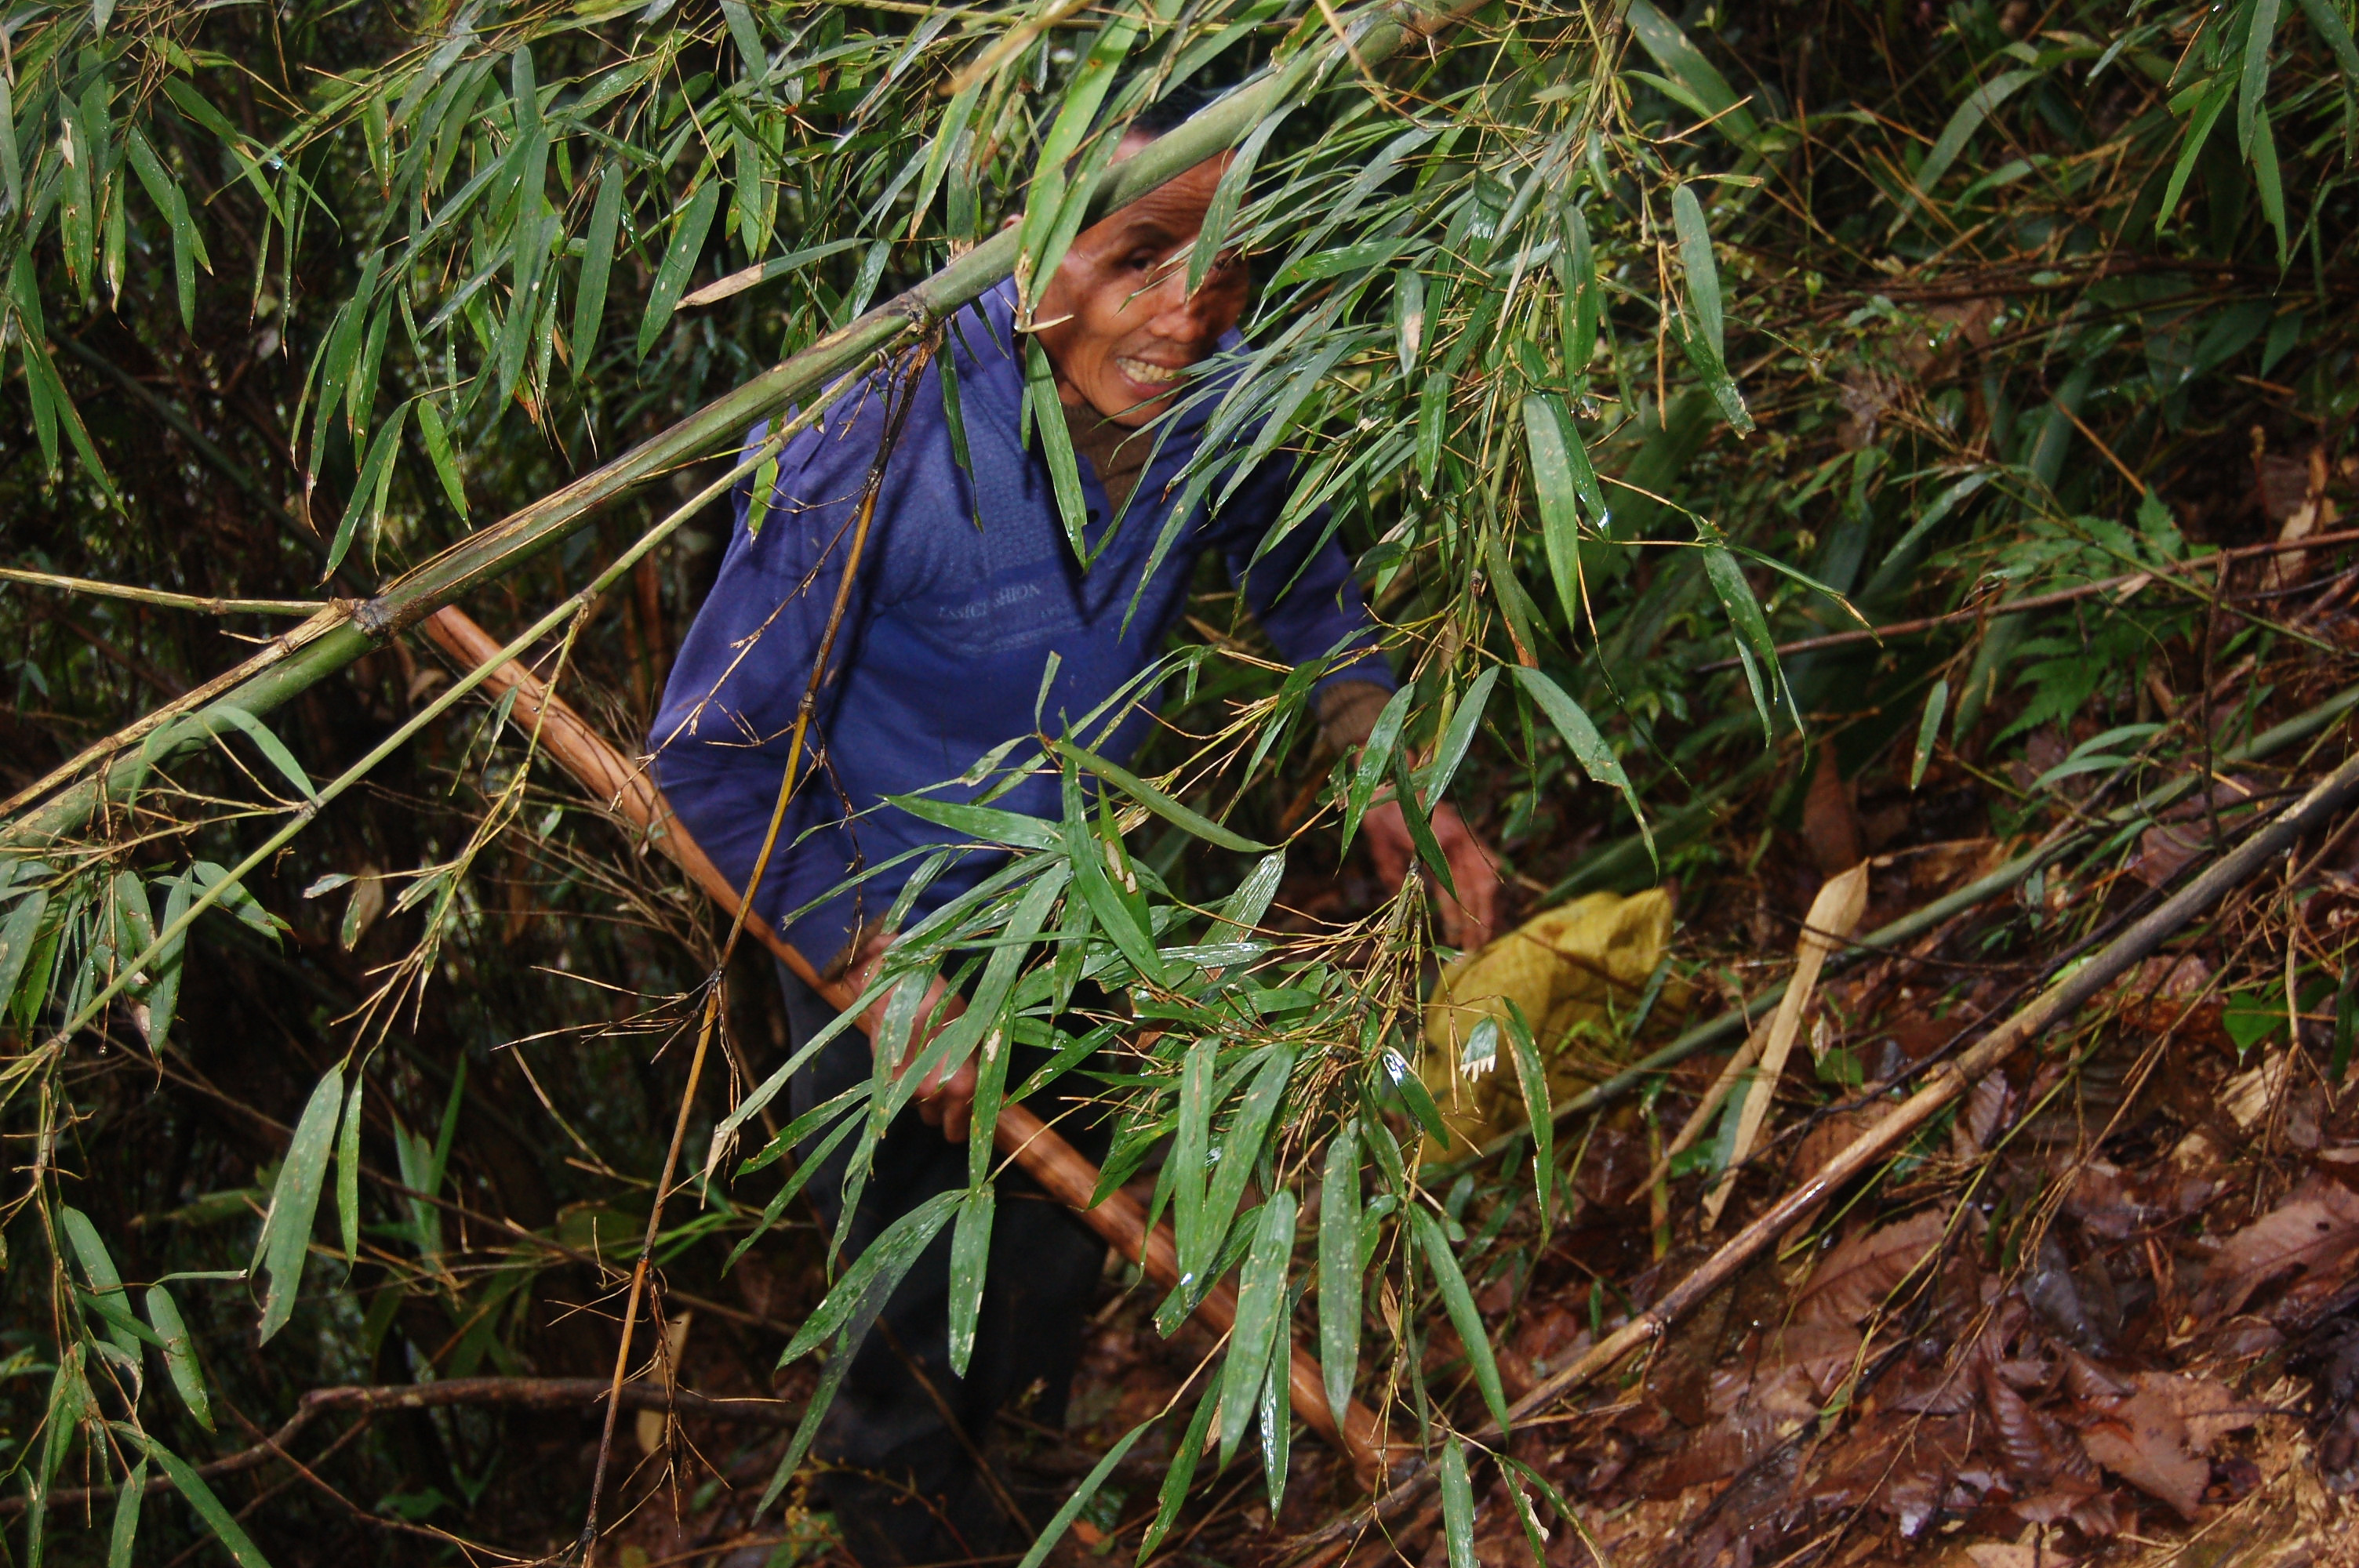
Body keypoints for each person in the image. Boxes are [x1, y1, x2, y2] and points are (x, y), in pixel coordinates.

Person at [651, 89, 1499, 1568]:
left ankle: (1020, 1511)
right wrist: (879, 970)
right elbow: (712, 752)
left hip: (1083, 903)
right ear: (1033, 245)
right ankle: (908, 1530)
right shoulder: (876, 427)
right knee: (921, 1311)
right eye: (1142, 255)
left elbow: (1292, 553)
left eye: (1229, 264)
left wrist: (1377, 743)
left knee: (1059, 1250)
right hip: (873, 919)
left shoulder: (1217, 388)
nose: (1190, 310)